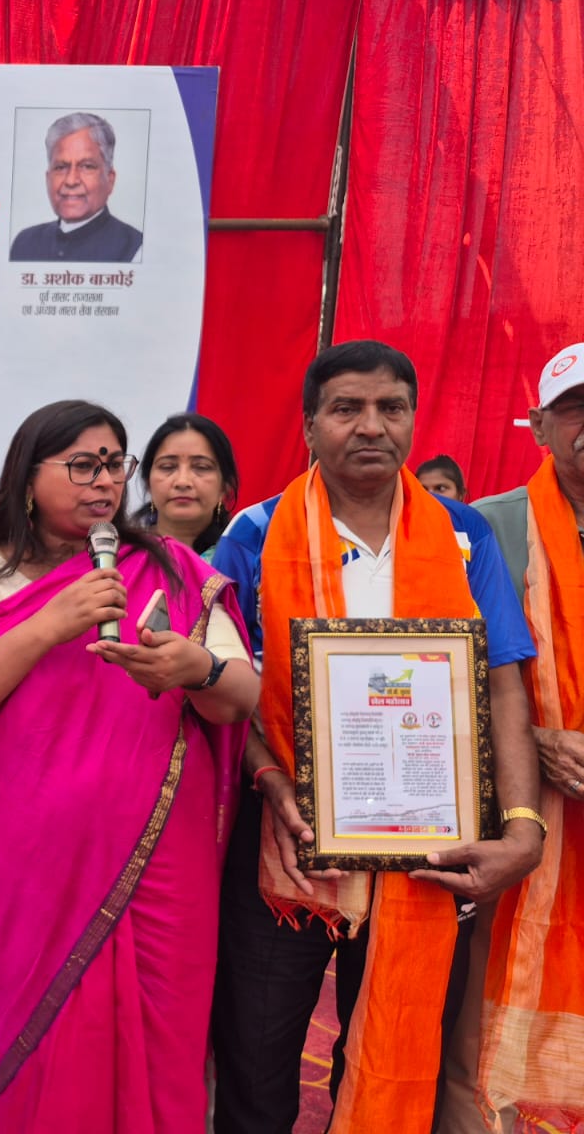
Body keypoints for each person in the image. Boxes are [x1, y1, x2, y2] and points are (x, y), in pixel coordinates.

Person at [208, 340, 543, 1134]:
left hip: (429, 847)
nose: (371, 426)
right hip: (286, 845)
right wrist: (269, 777)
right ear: (309, 424)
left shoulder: (463, 537)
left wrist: (523, 829)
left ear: (413, 421)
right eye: (346, 408)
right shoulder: (254, 537)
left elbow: (502, 683)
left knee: (400, 1063)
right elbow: (226, 693)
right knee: (256, 1071)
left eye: (391, 408)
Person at [0, 400, 257, 1130]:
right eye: (82, 465)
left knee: (163, 1044)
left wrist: (193, 668)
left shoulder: (172, 566)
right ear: (28, 477)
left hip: (161, 866)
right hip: (30, 870)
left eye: (114, 464)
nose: (104, 482)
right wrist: (49, 625)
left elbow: (240, 695)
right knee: (45, 1048)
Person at [443, 344, 584, 1134]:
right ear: (539, 426)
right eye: (576, 409)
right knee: (478, 1026)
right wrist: (533, 738)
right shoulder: (484, 528)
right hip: (513, 815)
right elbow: (438, 670)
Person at [9, 113, 143, 263]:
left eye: (87, 166)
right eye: (60, 167)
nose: (71, 180)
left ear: (110, 179)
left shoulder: (135, 249)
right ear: (48, 178)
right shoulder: (24, 244)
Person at [138, 412, 240, 560]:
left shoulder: (245, 564)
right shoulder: (123, 560)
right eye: (167, 467)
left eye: (201, 467)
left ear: (225, 486)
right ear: (148, 483)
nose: (182, 482)